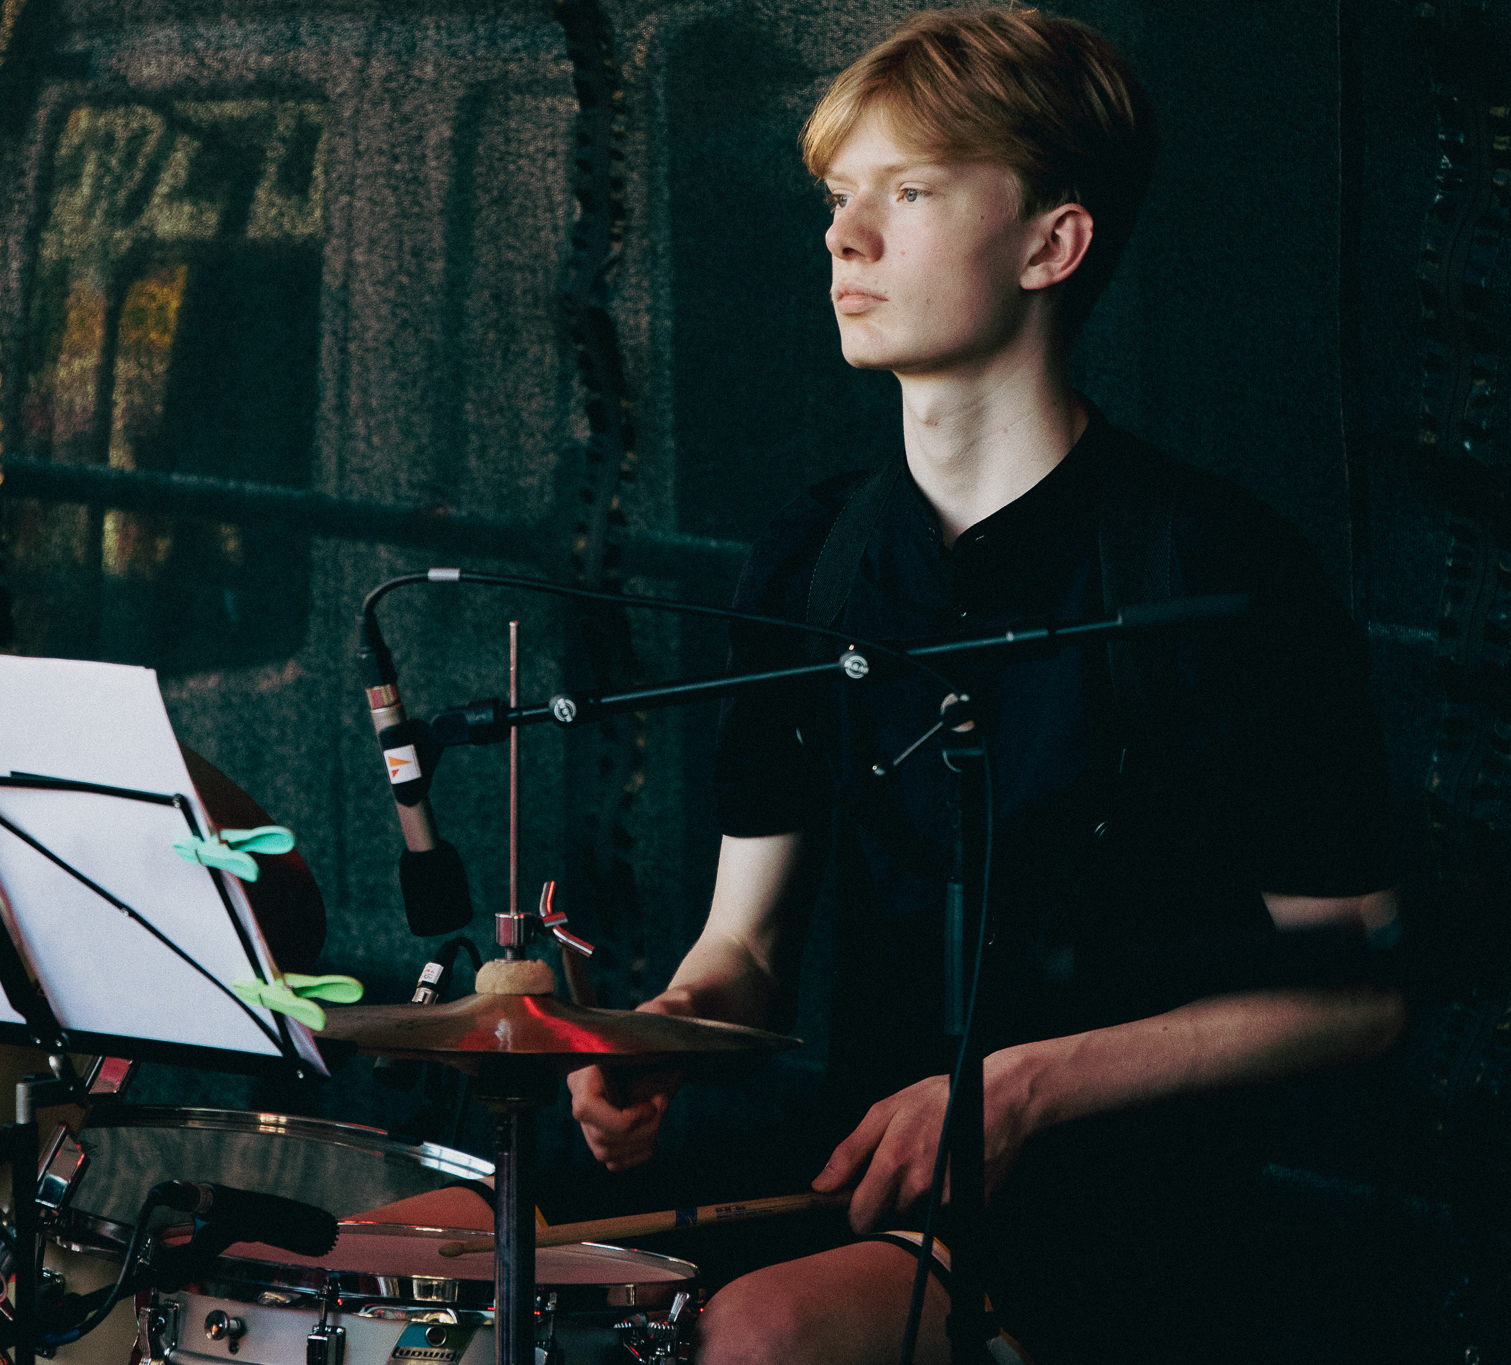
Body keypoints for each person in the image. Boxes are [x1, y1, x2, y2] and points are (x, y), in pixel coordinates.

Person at [565, 10, 1405, 1364]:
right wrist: (664, 1033)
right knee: (421, 1246)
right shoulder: (814, 557)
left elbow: (1359, 995)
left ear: (1050, 245)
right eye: (839, 198)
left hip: (1118, 1217)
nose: (845, 240)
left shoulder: (1215, 567)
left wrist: (1020, 1088)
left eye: (908, 194)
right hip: (855, 1168)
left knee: (760, 1335)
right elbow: (749, 953)